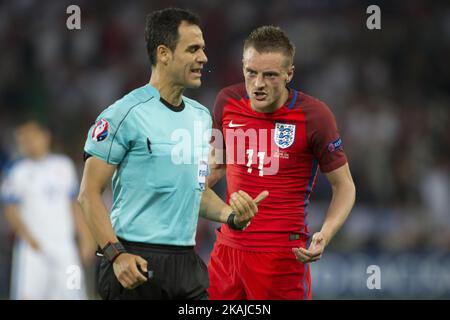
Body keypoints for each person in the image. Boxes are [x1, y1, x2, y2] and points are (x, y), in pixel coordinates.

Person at [78, 8, 267, 300]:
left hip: (185, 264)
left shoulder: (201, 117)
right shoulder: (124, 114)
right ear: (164, 53)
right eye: (193, 49)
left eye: (203, 49)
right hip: (134, 261)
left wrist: (232, 216)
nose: (203, 57)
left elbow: (195, 192)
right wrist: (116, 255)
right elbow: (88, 194)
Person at [207, 26, 356, 300]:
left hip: (281, 258)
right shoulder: (226, 101)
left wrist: (326, 232)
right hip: (226, 251)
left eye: (270, 75)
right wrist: (187, 185)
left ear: (290, 74)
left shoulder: (315, 116)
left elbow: (344, 186)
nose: (258, 83)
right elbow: (216, 166)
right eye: (251, 72)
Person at [0, 119, 93, 299]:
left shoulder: (63, 165)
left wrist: (85, 237)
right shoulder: (17, 171)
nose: (27, 143)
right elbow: (10, 209)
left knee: (73, 294)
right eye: (22, 139)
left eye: (31, 137)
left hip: (65, 247)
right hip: (33, 249)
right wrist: (28, 237)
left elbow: (74, 205)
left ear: (45, 137)